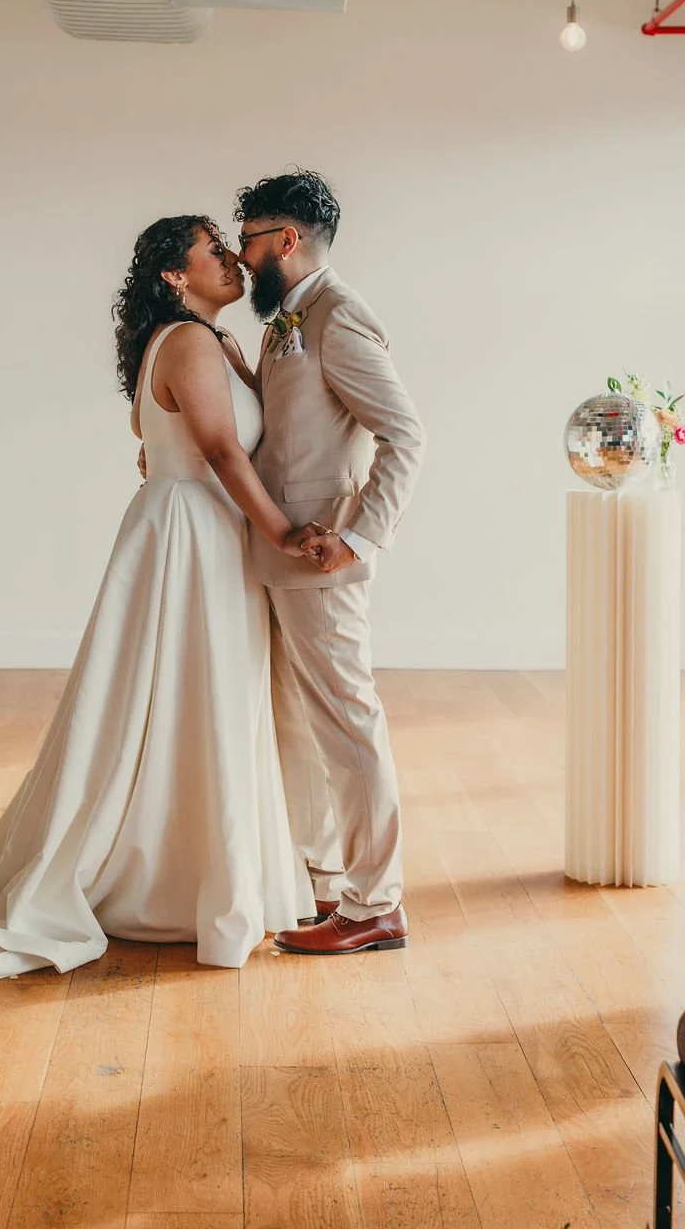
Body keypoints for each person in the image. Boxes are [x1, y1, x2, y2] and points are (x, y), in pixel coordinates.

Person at [0, 217, 326, 991]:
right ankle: (172, 878)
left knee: (199, 702)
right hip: (190, 535)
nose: (233, 260)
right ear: (174, 275)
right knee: (192, 699)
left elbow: (205, 440)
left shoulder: (218, 343)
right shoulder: (191, 343)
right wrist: (287, 533)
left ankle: (186, 867)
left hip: (202, 530)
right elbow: (225, 452)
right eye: (214, 251)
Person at [234, 170, 426, 956]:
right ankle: (320, 883)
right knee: (300, 730)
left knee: (348, 728)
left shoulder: (339, 318)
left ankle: (376, 903)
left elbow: (406, 435)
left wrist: (360, 538)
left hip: (322, 561)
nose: (242, 257)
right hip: (280, 560)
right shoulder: (288, 317)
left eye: (248, 240)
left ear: (287, 239)